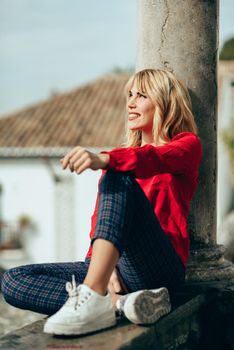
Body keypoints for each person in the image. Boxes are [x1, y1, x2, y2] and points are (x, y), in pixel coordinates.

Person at [1, 68, 202, 336]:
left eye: (141, 96)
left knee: (119, 174)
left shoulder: (186, 146)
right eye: (129, 95)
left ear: (165, 103)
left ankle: (95, 296)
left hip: (157, 269)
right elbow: (101, 221)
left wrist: (107, 159)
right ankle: (120, 304)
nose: (130, 102)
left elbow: (155, 158)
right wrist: (104, 268)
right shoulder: (119, 162)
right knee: (13, 281)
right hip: (115, 272)